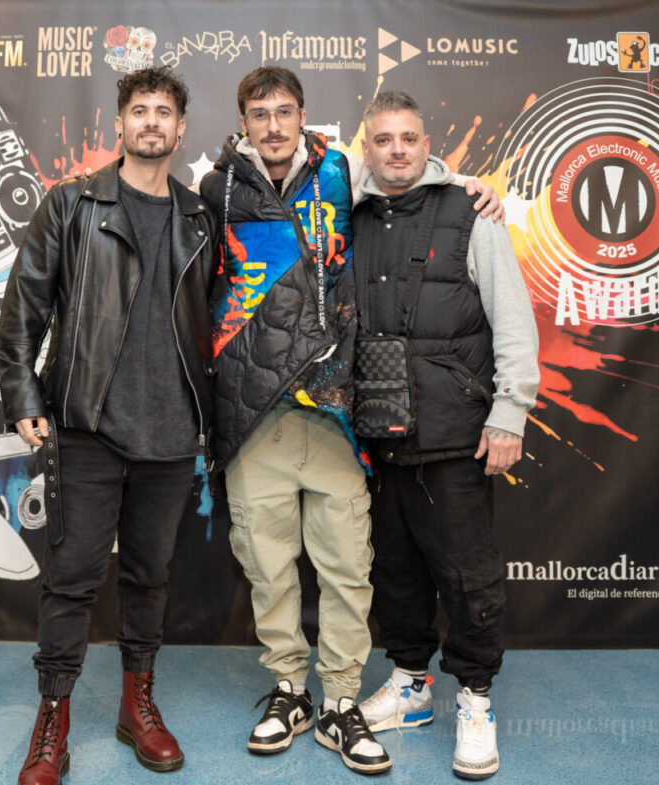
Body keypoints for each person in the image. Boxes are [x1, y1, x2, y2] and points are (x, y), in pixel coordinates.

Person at [199, 66, 501, 776]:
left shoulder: (344, 173)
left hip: (336, 407)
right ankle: (287, 690)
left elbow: (410, 184)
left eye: (285, 112)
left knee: (345, 566)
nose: (273, 126)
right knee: (267, 564)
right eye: (259, 114)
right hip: (253, 409)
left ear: (305, 117)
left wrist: (464, 185)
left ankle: (339, 697)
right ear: (243, 121)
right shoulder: (216, 189)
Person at [0, 66, 217, 784]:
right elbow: (22, 311)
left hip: (173, 432)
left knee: (150, 577)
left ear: (182, 130)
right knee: (71, 580)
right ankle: (52, 719)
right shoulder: (70, 205)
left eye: (164, 113)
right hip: (86, 424)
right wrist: (24, 392)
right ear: (119, 125)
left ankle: (136, 707)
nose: (152, 122)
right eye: (139, 111)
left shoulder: (199, 216)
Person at [351, 90, 539, 781]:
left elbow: (513, 317)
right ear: (365, 148)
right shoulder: (350, 213)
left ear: (428, 143)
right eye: (383, 140)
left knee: (467, 576)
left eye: (408, 138)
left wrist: (510, 411)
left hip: (456, 431)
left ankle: (476, 698)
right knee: (394, 570)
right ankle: (410, 684)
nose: (396, 149)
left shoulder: (471, 209)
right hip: (377, 433)